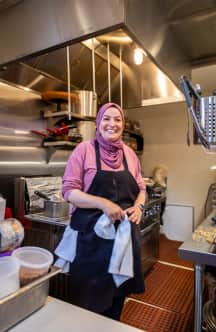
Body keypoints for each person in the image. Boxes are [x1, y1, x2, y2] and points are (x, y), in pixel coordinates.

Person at [55, 102, 146, 321]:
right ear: (98, 123)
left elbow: (141, 188)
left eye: (117, 119)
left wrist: (139, 206)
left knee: (116, 302)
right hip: (91, 243)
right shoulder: (84, 150)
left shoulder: (130, 154)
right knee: (87, 305)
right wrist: (103, 203)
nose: (112, 124)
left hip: (123, 240)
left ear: (123, 124)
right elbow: (69, 192)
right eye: (106, 118)